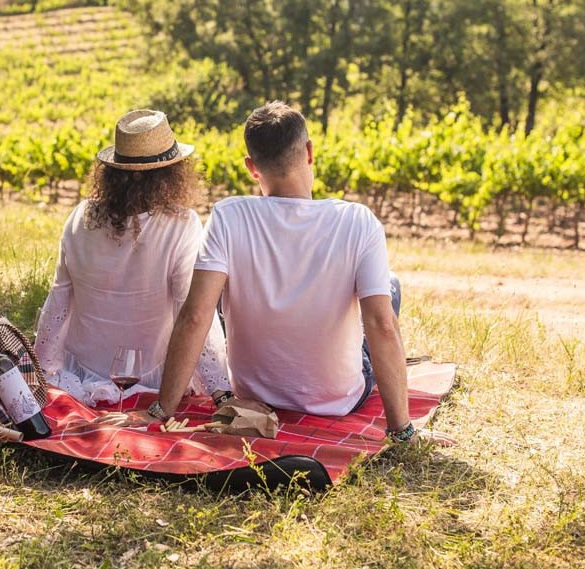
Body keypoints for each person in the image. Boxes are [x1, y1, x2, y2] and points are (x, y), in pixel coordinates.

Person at [148, 101, 451, 444]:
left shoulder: (228, 216)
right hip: (337, 399)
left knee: (222, 289)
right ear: (309, 152)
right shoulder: (357, 220)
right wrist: (402, 431)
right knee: (389, 287)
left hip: (254, 393)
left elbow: (195, 315)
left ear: (251, 167)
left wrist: (161, 410)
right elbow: (382, 325)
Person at [33, 109, 231, 406]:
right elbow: (191, 312)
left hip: (81, 375)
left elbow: (58, 303)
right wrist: (220, 390)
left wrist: (42, 371)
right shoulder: (182, 224)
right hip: (150, 380)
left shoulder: (80, 217)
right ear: (171, 174)